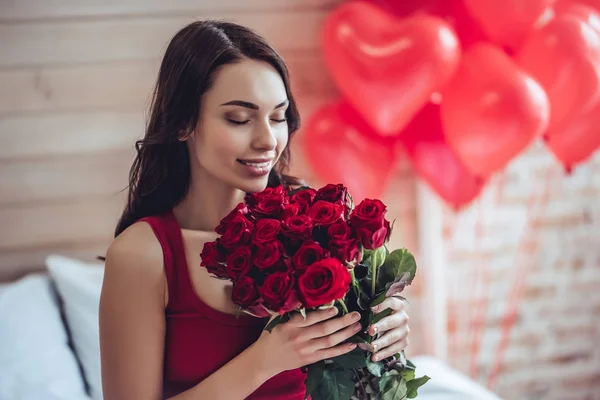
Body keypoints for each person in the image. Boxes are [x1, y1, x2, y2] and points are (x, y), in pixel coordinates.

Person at [99, 20, 410, 400]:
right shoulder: (142, 255)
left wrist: (385, 325)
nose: (267, 140)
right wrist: (264, 360)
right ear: (183, 122)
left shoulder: (313, 220)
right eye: (239, 119)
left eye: (278, 117)